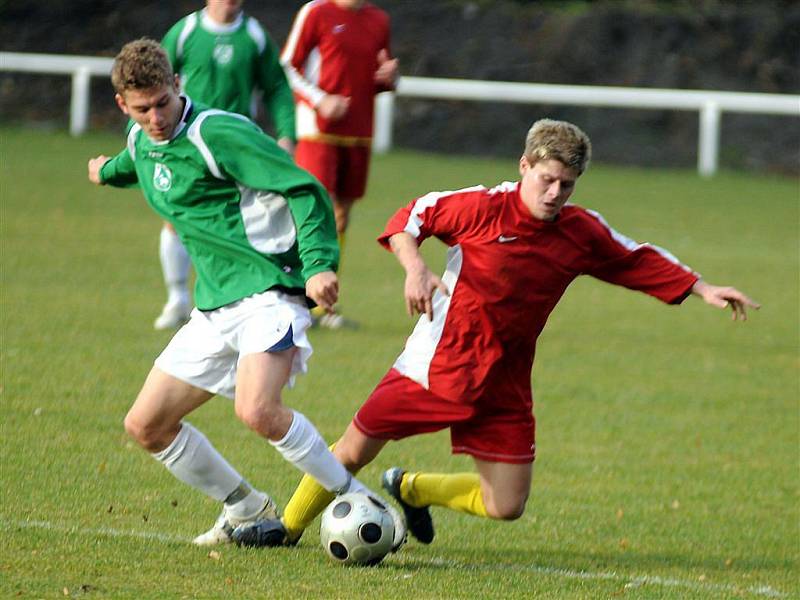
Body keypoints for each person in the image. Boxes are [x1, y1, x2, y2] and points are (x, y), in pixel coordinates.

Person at [232, 118, 760, 549]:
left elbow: (634, 257)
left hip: (505, 377)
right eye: (546, 179)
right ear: (524, 166)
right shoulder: (482, 207)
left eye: (566, 185)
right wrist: (415, 268)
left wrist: (701, 287)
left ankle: (411, 488)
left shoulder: (580, 231)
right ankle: (289, 528)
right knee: (351, 450)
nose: (555, 193)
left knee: (506, 505)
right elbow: (409, 218)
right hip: (440, 359)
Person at [86, 38, 405, 548]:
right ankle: (244, 507)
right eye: (142, 109)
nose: (156, 118)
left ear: (177, 85)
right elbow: (141, 162)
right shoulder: (138, 139)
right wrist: (104, 172)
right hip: (214, 305)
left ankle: (358, 499)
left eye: (163, 103)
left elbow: (305, 188)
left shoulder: (219, 132)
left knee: (258, 410)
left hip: (270, 288)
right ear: (124, 105)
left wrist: (320, 266)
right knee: (147, 425)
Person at [155, 0, 297, 330]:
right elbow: (154, 82)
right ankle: (177, 298)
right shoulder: (186, 32)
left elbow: (276, 86)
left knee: (239, 220)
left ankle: (239, 300)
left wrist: (287, 134)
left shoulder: (254, 35)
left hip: (236, 148)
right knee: (176, 218)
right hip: (186, 142)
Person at [281, 0, 399, 328]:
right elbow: (288, 67)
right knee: (313, 212)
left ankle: (321, 305)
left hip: (359, 132)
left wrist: (389, 78)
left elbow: (376, 78)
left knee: (341, 216)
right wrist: (321, 101)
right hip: (318, 132)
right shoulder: (316, 12)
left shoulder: (379, 19)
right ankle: (290, 298)